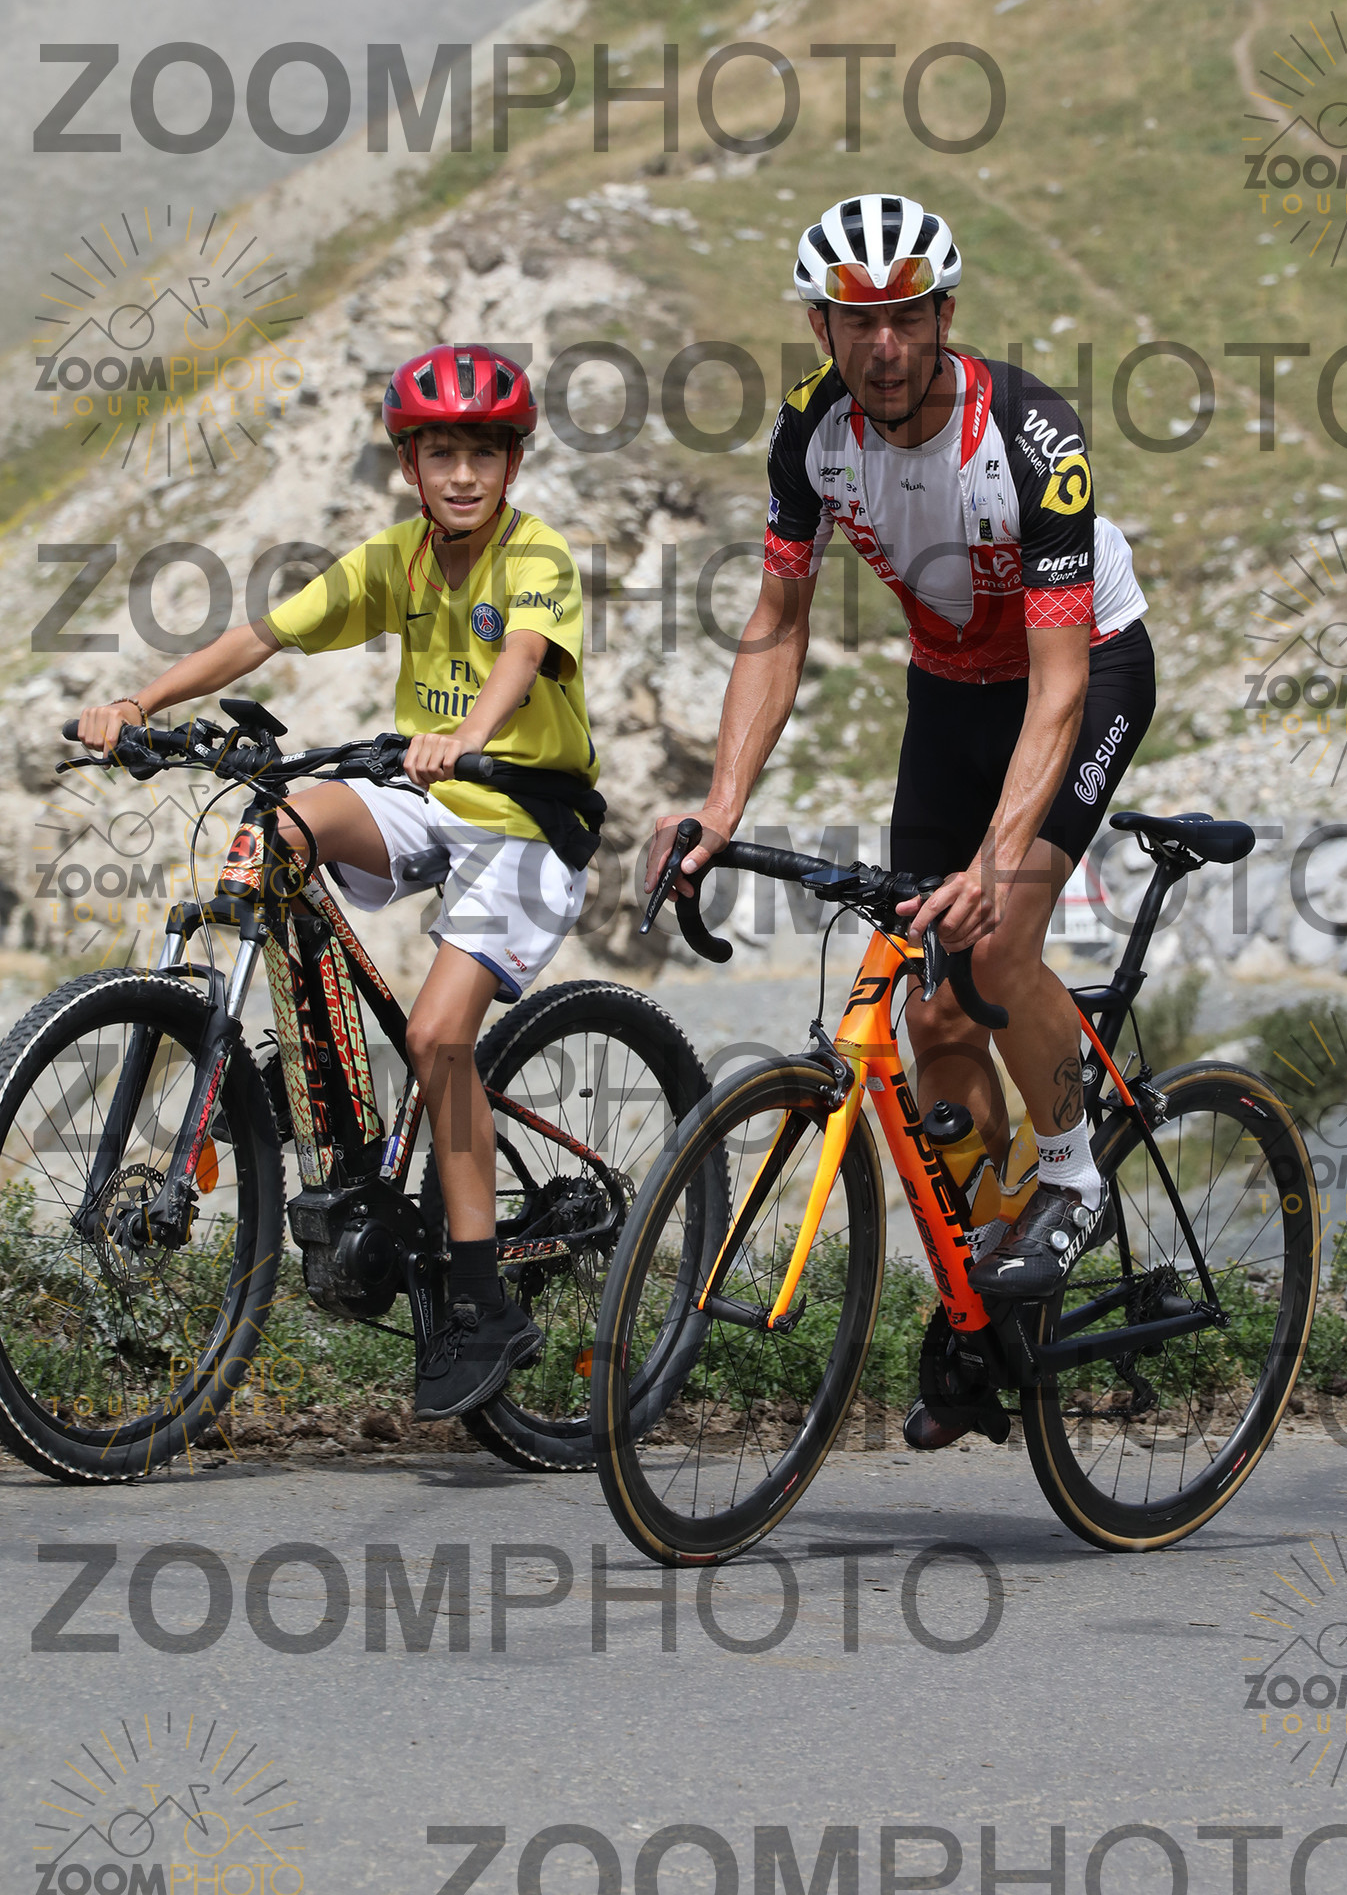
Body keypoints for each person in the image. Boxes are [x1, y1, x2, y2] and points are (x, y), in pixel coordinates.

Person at [647, 193, 1157, 1448]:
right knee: (930, 1013)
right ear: (820, 326)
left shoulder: (1031, 435)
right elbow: (777, 624)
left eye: (906, 318)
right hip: (951, 689)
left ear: (944, 315)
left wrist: (996, 860)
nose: (882, 347)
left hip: (1083, 671)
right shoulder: (809, 433)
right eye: (855, 322)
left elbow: (1059, 687)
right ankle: (989, 1298)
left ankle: (1073, 1175)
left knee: (996, 939)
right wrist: (718, 808)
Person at [74, 344, 599, 1421]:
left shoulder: (537, 555)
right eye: (440, 453)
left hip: (528, 817)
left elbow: (518, 657)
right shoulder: (396, 559)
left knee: (439, 1039)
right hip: (428, 793)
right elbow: (259, 636)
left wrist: (469, 733)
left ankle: (480, 1299)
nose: (462, 474)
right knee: (278, 828)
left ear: (513, 463)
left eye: (483, 454)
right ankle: (308, 1089)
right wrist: (140, 704)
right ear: (410, 465)